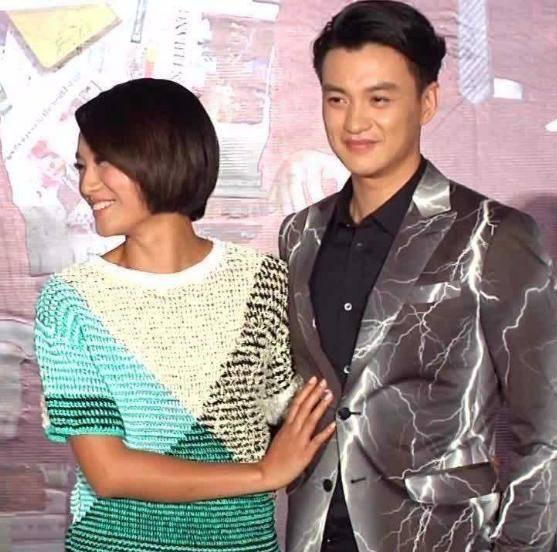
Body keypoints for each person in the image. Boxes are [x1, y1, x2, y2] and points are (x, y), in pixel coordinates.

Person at [279, 1, 557, 551]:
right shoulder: (299, 234)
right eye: (337, 99)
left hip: (442, 534)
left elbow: (545, 425)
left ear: (427, 101)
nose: (354, 122)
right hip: (316, 533)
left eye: (379, 99)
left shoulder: (493, 234)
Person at [34, 78, 335, 552]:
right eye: (82, 166)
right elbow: (109, 472)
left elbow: (290, 420)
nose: (87, 185)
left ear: (161, 155)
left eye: (103, 162)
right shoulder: (70, 301)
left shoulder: (265, 282)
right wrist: (262, 473)